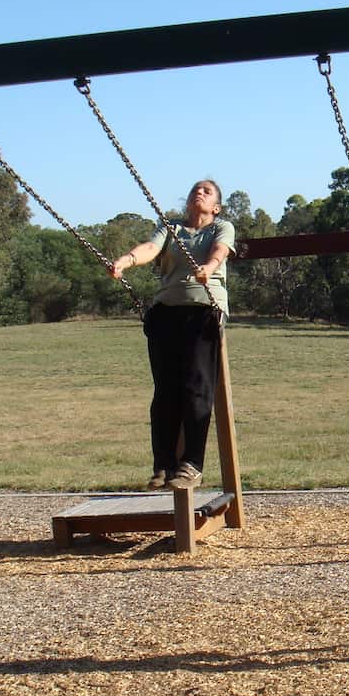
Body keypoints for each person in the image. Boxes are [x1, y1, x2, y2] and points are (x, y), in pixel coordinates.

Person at [110, 180, 235, 491]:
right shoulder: (171, 227)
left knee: (196, 388)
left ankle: (191, 464)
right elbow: (151, 248)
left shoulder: (221, 227)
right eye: (196, 189)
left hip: (203, 309)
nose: (199, 193)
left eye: (207, 191)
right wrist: (125, 261)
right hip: (166, 311)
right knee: (164, 393)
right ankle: (163, 465)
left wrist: (208, 266)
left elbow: (220, 252)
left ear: (216, 207)